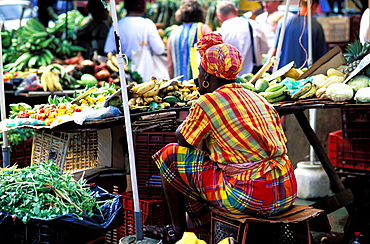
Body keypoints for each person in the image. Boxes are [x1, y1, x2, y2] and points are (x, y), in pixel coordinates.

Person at [152, 33, 297, 242]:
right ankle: (201, 223)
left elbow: (182, 139)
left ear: (207, 78)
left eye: (201, 72)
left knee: (170, 155)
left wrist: (199, 103)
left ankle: (179, 230)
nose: (198, 76)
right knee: (210, 162)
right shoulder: (258, 97)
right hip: (285, 190)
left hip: (251, 196)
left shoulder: (208, 102)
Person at [215, 1, 269, 76]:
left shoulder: (219, 35)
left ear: (219, 16)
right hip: (253, 78)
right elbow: (265, 49)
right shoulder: (253, 25)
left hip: (231, 80)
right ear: (236, 11)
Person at [270, 0, 327, 69]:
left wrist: (268, 68)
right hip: (306, 74)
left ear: (300, 4)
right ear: (314, 5)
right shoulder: (316, 26)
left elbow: (275, 50)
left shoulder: (284, 22)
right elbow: (322, 57)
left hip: (284, 72)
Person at [167, 0, 212, 81]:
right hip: (199, 85)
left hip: (180, 86)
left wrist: (172, 82)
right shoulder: (203, 29)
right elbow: (212, 58)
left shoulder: (173, 33)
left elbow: (170, 63)